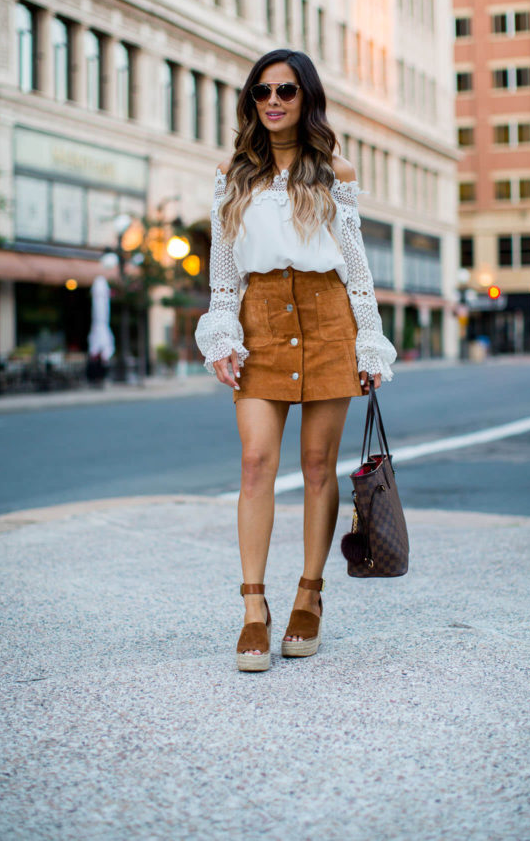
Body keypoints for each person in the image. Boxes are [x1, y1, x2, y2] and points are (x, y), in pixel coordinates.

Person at [195, 49, 396, 672]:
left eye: (285, 89)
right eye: (261, 92)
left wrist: (370, 340)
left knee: (316, 466)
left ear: (306, 96)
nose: (273, 101)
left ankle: (309, 595)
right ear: (251, 102)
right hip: (260, 319)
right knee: (256, 462)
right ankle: (254, 608)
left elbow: (356, 267)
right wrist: (222, 333)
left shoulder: (335, 171)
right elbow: (223, 270)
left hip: (328, 317)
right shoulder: (234, 174)